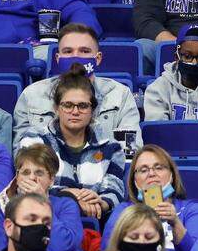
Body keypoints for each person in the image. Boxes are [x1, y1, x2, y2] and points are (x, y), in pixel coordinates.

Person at [16, 67, 128, 220]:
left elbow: (114, 189)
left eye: (83, 106)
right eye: (68, 105)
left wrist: (101, 202)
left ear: (93, 110)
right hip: (44, 217)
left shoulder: (111, 147)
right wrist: (68, 196)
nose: (75, 112)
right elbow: (27, 185)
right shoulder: (35, 139)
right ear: (56, 108)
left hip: (95, 219)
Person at [13, 23, 139, 146]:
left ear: (98, 58)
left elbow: (130, 149)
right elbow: (21, 150)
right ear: (57, 58)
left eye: (84, 51)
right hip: (48, 160)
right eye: (68, 51)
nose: (75, 57)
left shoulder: (120, 95)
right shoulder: (31, 95)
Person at [0, 144, 84, 251]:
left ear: (51, 180)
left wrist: (43, 204)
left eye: (39, 173)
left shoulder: (66, 205)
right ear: (17, 177)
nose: (32, 178)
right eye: (25, 172)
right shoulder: (3, 207)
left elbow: (62, 247)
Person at [143, 22, 198, 122]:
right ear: (177, 57)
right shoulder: (159, 87)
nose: (194, 62)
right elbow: (157, 129)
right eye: (187, 56)